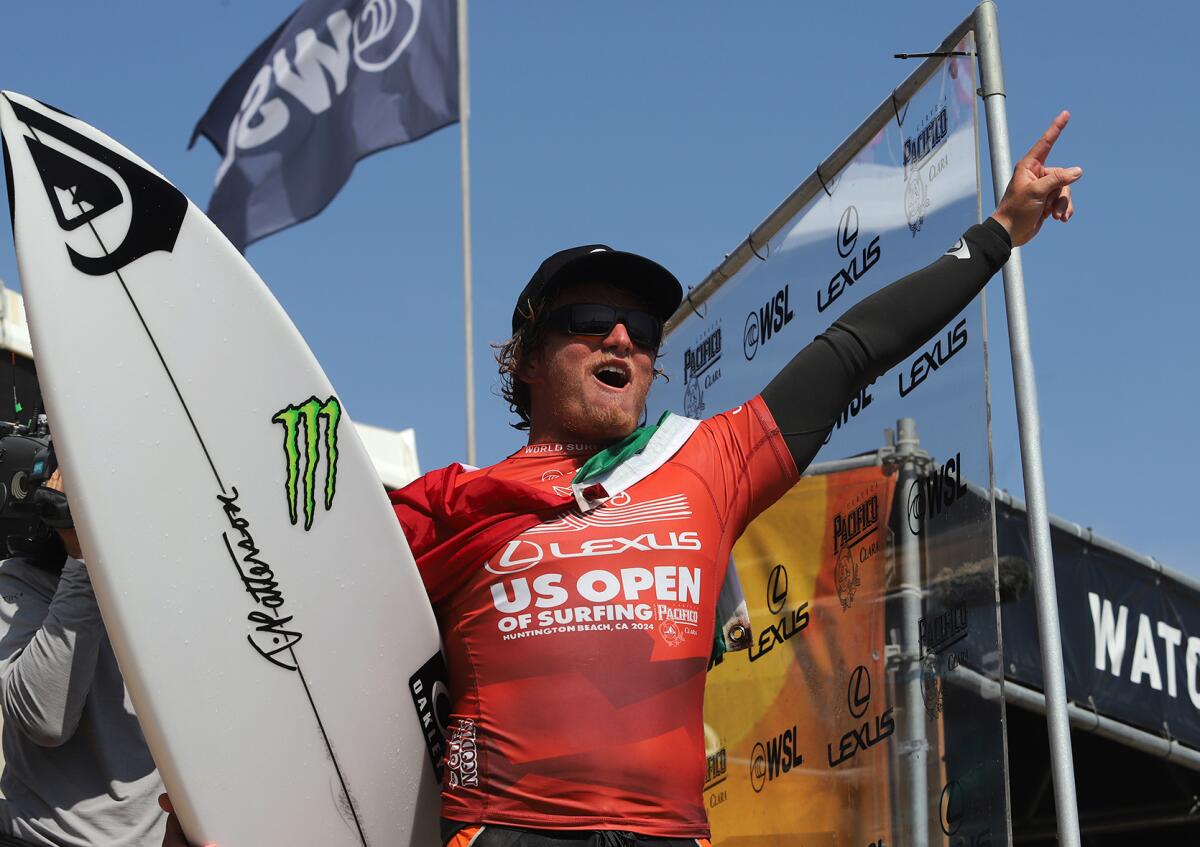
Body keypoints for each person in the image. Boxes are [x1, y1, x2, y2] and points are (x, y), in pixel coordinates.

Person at [162, 113, 1079, 847]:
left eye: (643, 329)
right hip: (504, 831)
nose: (622, 340)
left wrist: (999, 232)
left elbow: (846, 355)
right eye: (592, 318)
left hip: (669, 834)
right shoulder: (443, 504)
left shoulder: (708, 462)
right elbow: (289, 627)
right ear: (522, 360)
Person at [0, 466, 166, 846]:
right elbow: (45, 721)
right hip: (41, 837)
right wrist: (84, 559)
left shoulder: (171, 586)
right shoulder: (17, 580)